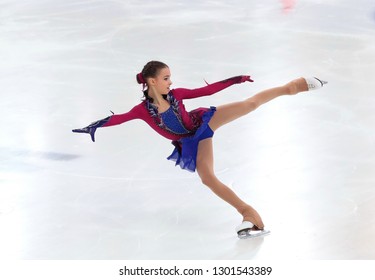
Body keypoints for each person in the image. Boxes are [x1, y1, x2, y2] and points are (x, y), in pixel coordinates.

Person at [72, 60, 327, 238]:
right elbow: (120, 118)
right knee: (207, 178)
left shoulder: (177, 95)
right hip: (191, 140)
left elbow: (205, 90)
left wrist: (234, 80)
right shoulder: (142, 111)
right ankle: (250, 215)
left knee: (249, 105)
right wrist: (95, 126)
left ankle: (294, 86)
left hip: (202, 121)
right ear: (152, 81)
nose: (170, 82)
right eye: (166, 78)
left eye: (170, 77)